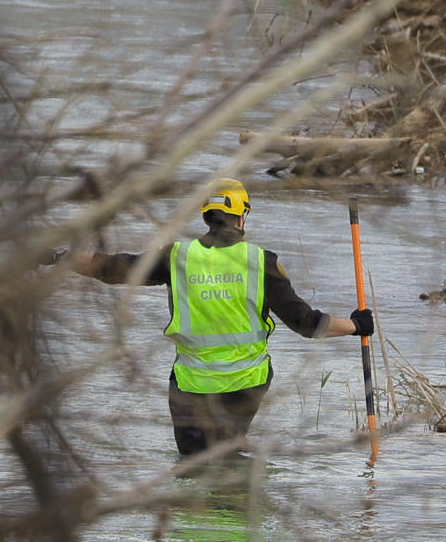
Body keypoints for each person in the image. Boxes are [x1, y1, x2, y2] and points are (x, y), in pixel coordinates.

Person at [56, 178, 374, 455]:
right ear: (240, 217)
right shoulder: (260, 262)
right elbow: (305, 323)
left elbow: (110, 268)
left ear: (207, 216)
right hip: (245, 384)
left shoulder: (177, 257)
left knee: (194, 465)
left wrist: (58, 258)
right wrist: (355, 325)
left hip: (189, 385)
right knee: (226, 459)